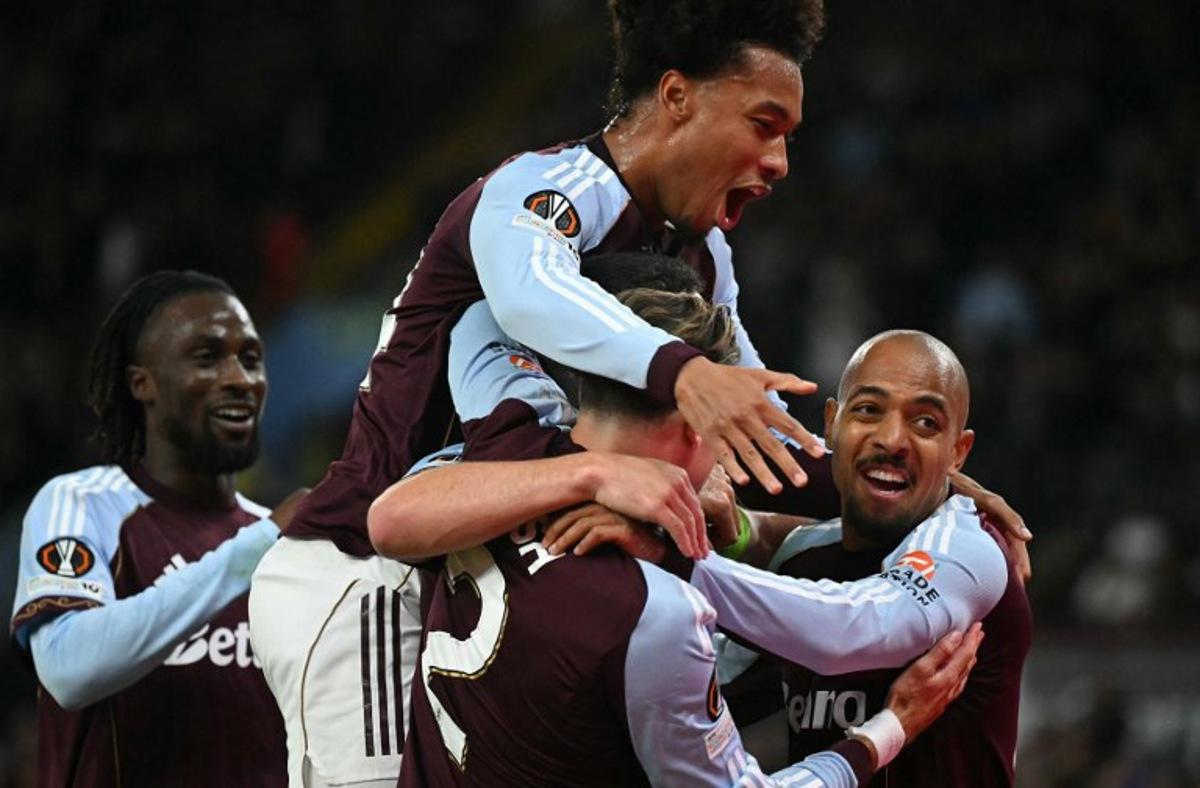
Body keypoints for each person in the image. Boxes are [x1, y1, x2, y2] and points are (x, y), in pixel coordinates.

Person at [372, 290, 983, 786]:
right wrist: (885, 733)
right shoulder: (656, 612)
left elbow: (482, 316)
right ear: (697, 425)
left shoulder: (501, 462)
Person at [9, 270, 298, 787]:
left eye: (251, 359)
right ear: (141, 383)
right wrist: (255, 550)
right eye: (207, 358)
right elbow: (69, 668)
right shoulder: (83, 504)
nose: (239, 378)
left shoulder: (281, 541)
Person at [723, 330, 1032, 785]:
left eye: (925, 423)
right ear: (831, 423)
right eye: (868, 410)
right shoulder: (801, 559)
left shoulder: (969, 550)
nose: (892, 439)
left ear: (958, 453)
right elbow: (707, 686)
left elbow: (854, 629)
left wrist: (695, 567)